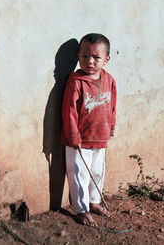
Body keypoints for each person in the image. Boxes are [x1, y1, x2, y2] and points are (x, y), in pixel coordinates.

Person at [60, 33, 116, 227]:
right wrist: (73, 136)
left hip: (100, 137)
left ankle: (94, 201)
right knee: (79, 173)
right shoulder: (76, 82)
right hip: (78, 141)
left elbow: (112, 105)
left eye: (95, 57)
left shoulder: (109, 80)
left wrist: (111, 126)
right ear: (78, 56)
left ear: (106, 59)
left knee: (97, 171)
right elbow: (68, 112)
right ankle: (81, 209)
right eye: (84, 56)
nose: (89, 61)